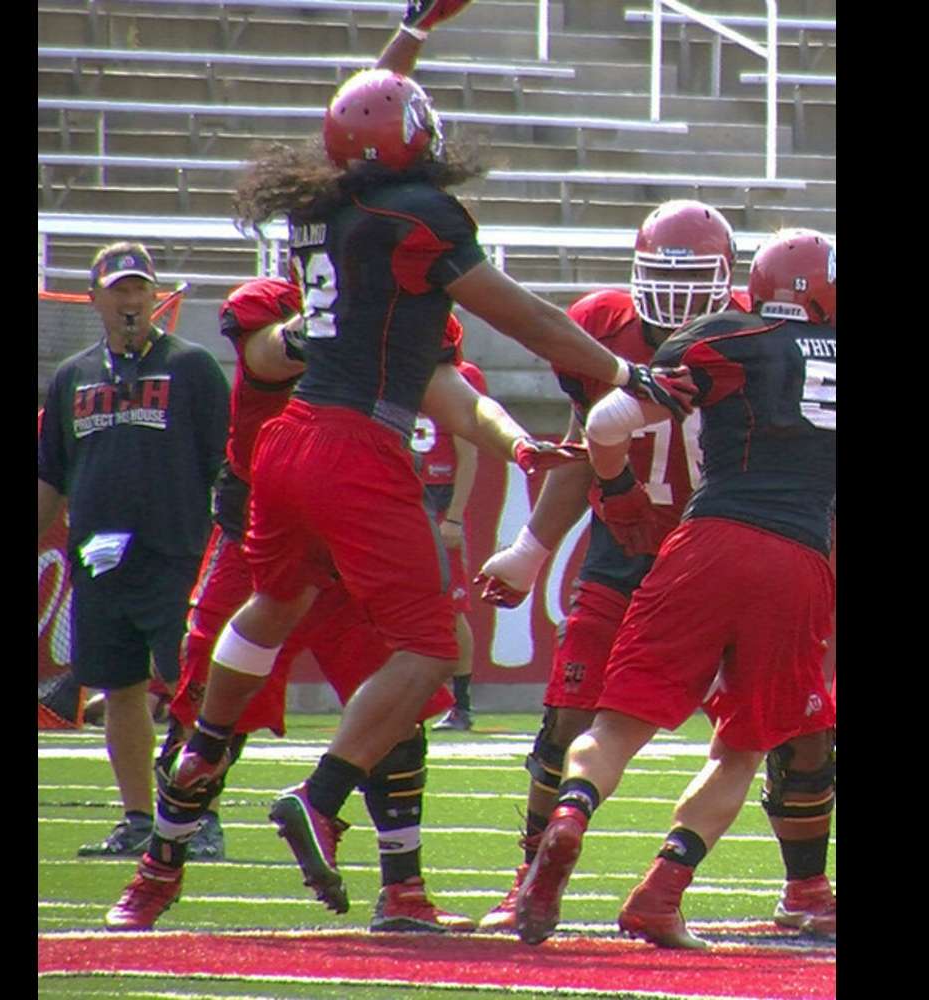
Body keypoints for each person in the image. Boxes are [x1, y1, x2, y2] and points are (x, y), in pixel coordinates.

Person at [153, 0, 697, 923]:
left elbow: (354, 122)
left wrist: (408, 37)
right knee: (434, 654)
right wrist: (624, 371)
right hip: (358, 442)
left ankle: (208, 745)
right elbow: (521, 315)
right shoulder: (418, 219)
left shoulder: (324, 207)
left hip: (285, 447)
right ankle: (321, 802)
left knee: (272, 603)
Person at [105, 275, 585, 931]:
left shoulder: (410, 316)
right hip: (260, 529)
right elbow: (265, 355)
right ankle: (156, 873)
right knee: (204, 724)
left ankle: (404, 889)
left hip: (353, 534)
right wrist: (338, 314)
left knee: (396, 708)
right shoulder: (279, 305)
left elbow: (456, 398)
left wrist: (517, 442)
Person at [511, 228, 837, 948]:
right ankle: (661, 892)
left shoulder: (722, 337)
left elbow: (606, 421)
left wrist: (621, 489)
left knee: (618, 723)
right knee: (741, 748)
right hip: (798, 558)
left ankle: (570, 815)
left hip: (703, 540)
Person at [473, 199, 747, 930]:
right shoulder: (602, 330)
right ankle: (533, 879)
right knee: (575, 715)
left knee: (776, 723)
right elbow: (576, 448)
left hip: (700, 543)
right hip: (682, 547)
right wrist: (531, 549)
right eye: (665, 277)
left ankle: (808, 889)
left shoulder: (756, 332)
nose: (681, 298)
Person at [38, 241, 231, 859]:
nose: (129, 299)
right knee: (118, 687)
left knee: (186, 681)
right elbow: (53, 475)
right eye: (117, 289)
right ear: (93, 298)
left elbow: (221, 463)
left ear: (156, 296)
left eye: (138, 288)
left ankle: (199, 815)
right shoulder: (72, 377)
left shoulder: (193, 367)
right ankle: (138, 818)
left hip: (174, 550)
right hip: (96, 554)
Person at [419, 338, 488, 732]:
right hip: (399, 495)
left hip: (438, 498)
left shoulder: (462, 378)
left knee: (452, 605)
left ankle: (461, 703)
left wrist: (456, 518)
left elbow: (469, 452)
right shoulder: (386, 372)